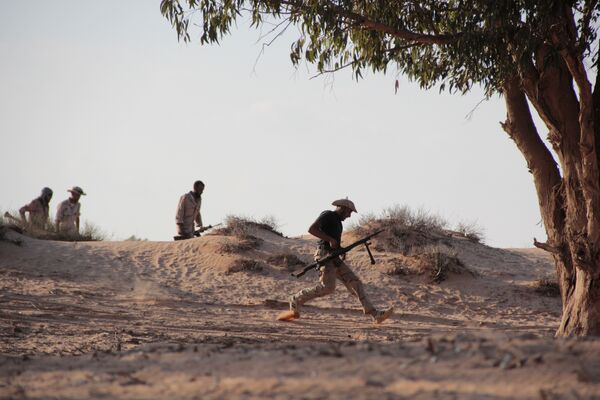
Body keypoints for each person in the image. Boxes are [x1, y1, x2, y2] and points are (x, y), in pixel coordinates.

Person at [278, 198, 394, 324]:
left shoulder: (339, 222)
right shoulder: (328, 215)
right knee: (328, 288)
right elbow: (312, 229)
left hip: (334, 256)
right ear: (342, 208)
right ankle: (296, 299)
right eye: (349, 212)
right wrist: (330, 240)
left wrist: (340, 249)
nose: (349, 216)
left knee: (355, 282)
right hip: (324, 255)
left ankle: (375, 314)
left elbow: (334, 243)